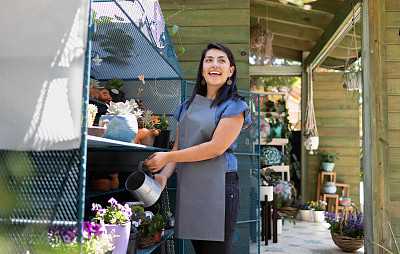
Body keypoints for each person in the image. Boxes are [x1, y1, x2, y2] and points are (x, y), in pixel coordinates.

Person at [144, 43, 252, 254]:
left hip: (220, 187)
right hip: (191, 188)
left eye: (222, 60)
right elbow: (178, 147)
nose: (215, 64)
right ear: (202, 69)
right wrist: (164, 176)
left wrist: (166, 158)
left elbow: (216, 148)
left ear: (230, 71)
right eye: (209, 60)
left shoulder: (235, 106)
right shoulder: (186, 107)